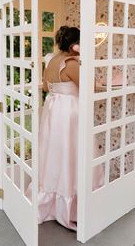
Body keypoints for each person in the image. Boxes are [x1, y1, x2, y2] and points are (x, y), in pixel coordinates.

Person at [37, 25, 80, 230]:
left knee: (55, 151)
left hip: (53, 109)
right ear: (74, 45)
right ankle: (69, 197)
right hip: (68, 112)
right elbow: (88, 85)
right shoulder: (70, 63)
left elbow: (46, 86)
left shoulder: (51, 60)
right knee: (70, 152)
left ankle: (51, 193)